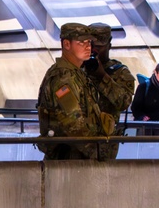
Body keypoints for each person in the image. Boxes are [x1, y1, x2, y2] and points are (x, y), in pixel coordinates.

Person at [36, 23, 114, 160]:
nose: (88, 46)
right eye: (81, 42)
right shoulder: (63, 78)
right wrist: (97, 153)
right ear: (66, 44)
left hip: (77, 158)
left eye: (89, 42)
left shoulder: (77, 74)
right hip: (68, 160)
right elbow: (73, 124)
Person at [86, 23, 135, 160]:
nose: (94, 50)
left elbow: (123, 102)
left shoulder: (120, 73)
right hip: (79, 143)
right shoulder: (78, 70)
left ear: (109, 46)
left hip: (105, 145)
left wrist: (103, 76)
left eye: (98, 47)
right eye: (90, 46)